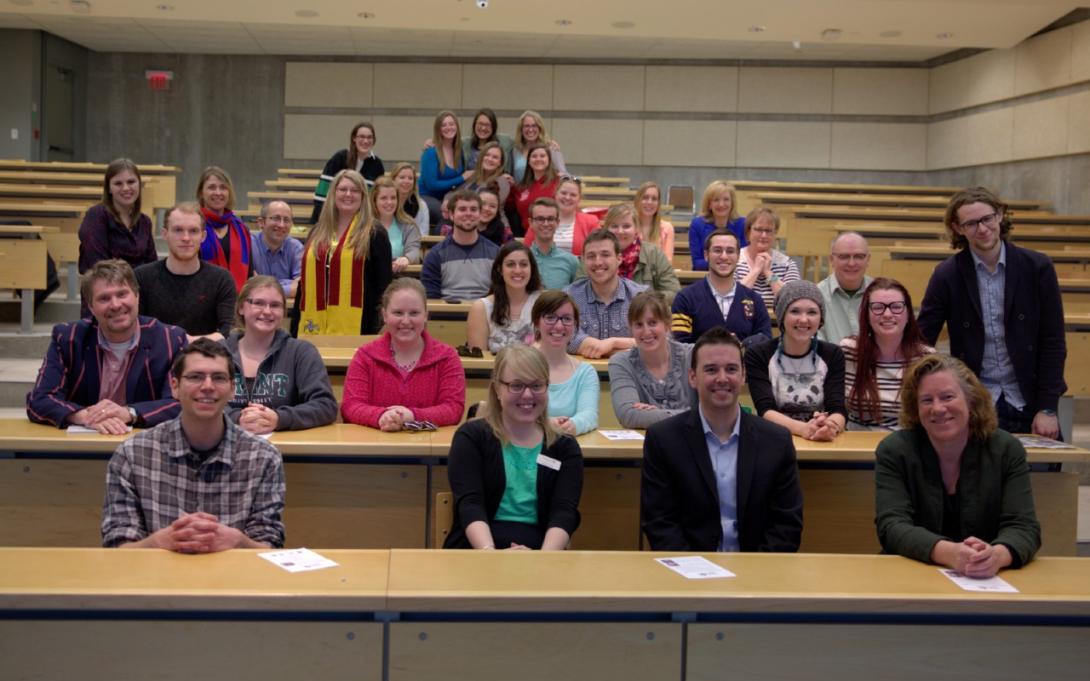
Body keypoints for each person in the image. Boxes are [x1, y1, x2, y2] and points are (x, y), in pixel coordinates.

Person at [101, 338, 285, 551]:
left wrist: (238, 541)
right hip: (156, 579)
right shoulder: (132, 454)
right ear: (175, 387)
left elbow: (269, 547)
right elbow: (117, 548)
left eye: (218, 378)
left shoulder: (264, 457)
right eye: (195, 377)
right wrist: (159, 542)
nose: (207, 386)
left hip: (233, 580)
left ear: (233, 389)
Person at [918, 186, 1066, 439]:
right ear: (958, 228)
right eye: (971, 223)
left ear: (999, 215)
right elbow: (922, 340)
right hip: (972, 401)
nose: (983, 229)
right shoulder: (946, 275)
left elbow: (1053, 342)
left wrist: (1048, 408)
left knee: (1042, 477)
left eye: (987, 219)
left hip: (1028, 398)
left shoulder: (1038, 267)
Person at [875, 354, 1040, 576]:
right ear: (915, 408)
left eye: (947, 397)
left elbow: (1024, 527)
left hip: (989, 577)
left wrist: (997, 556)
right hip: (910, 573)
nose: (938, 408)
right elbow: (892, 526)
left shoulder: (1006, 449)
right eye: (926, 400)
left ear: (971, 400)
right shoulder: (894, 450)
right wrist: (950, 553)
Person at [640, 327, 803, 552]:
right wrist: (695, 574)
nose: (722, 378)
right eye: (711, 369)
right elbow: (660, 524)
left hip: (759, 574)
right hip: (688, 574)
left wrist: (756, 576)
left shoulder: (776, 441)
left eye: (731, 369)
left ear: (743, 375)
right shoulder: (663, 440)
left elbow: (787, 526)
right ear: (693, 377)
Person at [444, 344, 583, 550]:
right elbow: (470, 504)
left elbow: (563, 512)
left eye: (536, 386)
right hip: (477, 551)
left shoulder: (564, 447)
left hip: (542, 553)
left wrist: (542, 560)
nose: (527, 395)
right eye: (516, 386)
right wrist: (492, 555)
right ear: (497, 389)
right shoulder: (471, 438)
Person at [27, 259, 186, 433]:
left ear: (137, 296)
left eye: (122, 294)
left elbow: (180, 403)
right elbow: (40, 399)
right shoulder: (68, 338)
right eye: (104, 298)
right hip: (84, 445)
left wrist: (129, 413)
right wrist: (84, 416)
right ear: (91, 307)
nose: (116, 305)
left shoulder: (171, 339)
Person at [341, 278, 466, 430]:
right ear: (384, 315)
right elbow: (350, 406)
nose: (406, 321)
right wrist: (381, 417)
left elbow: (453, 409)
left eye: (414, 313)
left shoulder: (447, 358)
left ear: (426, 315)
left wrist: (412, 417)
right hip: (374, 449)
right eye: (398, 313)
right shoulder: (365, 356)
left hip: (429, 450)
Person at [224, 276, 337, 434]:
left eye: (275, 305)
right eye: (258, 303)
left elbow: (325, 405)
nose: (267, 311)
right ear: (241, 308)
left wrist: (279, 418)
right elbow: (195, 403)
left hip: (285, 449)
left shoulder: (301, 352)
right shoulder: (218, 353)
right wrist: (237, 419)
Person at [746, 280, 847, 442]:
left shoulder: (833, 354)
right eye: (795, 311)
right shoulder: (758, 354)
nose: (804, 319)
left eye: (812, 312)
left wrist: (830, 426)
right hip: (774, 440)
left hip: (821, 440)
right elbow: (765, 410)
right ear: (781, 315)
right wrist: (804, 429)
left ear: (821, 318)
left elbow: (838, 409)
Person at [296, 169, 393, 336]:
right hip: (313, 325)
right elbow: (302, 287)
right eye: (342, 189)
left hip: (362, 326)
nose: (348, 194)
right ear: (333, 193)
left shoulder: (375, 233)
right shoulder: (317, 233)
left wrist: (378, 328)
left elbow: (384, 287)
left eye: (355, 190)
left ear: (363, 196)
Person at [842, 278, 934, 431]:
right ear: (867, 314)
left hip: (905, 446)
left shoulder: (926, 358)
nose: (887, 314)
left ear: (908, 313)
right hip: (856, 445)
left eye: (896, 307)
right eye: (878, 307)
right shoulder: (849, 351)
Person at [135, 203, 236, 342]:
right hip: (157, 360)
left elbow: (227, 332)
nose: (186, 238)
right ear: (165, 234)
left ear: (203, 236)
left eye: (193, 231)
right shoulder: (141, 277)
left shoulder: (221, 279)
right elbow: (137, 329)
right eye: (178, 230)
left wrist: (184, 342)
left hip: (206, 358)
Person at [609, 291, 696, 429]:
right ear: (631, 328)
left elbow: (713, 413)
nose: (646, 331)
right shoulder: (621, 363)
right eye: (638, 324)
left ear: (667, 324)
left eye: (652, 323)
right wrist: (692, 415)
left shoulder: (693, 355)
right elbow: (628, 415)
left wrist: (653, 414)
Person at [671, 229, 771, 346]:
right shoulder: (686, 298)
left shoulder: (755, 300)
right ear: (706, 255)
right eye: (717, 250)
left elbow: (765, 341)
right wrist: (716, 347)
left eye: (730, 251)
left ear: (738, 256)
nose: (724, 256)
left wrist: (743, 346)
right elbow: (679, 346)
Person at [564, 229, 647, 359]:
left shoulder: (640, 296)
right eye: (591, 256)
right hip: (582, 376)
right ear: (584, 261)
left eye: (605, 255)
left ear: (619, 259)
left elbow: (657, 340)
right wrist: (623, 348)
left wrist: (613, 343)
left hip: (632, 376)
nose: (598, 262)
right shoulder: (569, 296)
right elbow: (565, 338)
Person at [532, 291, 599, 436]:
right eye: (550, 318)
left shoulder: (586, 372)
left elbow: (589, 415)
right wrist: (545, 423)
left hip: (569, 449)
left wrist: (572, 425)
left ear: (575, 325)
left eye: (567, 319)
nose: (559, 326)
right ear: (537, 322)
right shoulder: (519, 366)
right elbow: (508, 413)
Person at [77, 158, 157, 273]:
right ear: (109, 188)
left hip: (138, 288)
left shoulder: (144, 221)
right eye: (118, 183)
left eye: (131, 182)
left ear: (139, 184)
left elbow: (152, 265)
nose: (125, 188)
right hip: (106, 287)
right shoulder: (97, 216)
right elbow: (98, 266)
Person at [421, 189, 499, 300]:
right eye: (462, 209)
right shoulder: (435, 255)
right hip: (447, 315)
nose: (468, 214)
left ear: (480, 214)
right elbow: (431, 297)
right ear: (451, 215)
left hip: (485, 314)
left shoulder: (496, 253)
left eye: (473, 209)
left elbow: (500, 294)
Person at [466, 241, 542, 353]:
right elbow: (479, 361)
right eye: (510, 264)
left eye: (524, 264)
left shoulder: (543, 303)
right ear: (500, 269)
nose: (517, 270)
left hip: (535, 370)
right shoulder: (481, 308)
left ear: (532, 269)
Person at [600, 203, 680, 300]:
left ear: (636, 229)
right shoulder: (594, 253)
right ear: (606, 229)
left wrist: (644, 301)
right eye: (614, 226)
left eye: (626, 226)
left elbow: (673, 292)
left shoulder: (653, 253)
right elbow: (581, 290)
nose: (620, 231)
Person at [311, 121, 385, 224]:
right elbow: (321, 195)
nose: (365, 141)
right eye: (362, 137)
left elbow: (375, 200)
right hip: (332, 219)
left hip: (361, 223)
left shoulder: (378, 165)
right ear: (354, 138)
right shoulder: (340, 158)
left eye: (369, 137)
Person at [195, 166, 252, 292]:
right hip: (202, 301)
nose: (218, 192)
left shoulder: (241, 229)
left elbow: (249, 273)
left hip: (237, 302)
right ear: (201, 193)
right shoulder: (193, 226)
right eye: (211, 187)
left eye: (223, 187)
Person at [734, 207, 799, 310]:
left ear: (775, 234)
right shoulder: (734, 260)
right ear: (748, 232)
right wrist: (755, 271)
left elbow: (792, 299)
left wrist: (768, 273)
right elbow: (732, 297)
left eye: (769, 231)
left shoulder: (787, 264)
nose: (764, 235)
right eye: (759, 229)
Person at [817, 232, 873, 344]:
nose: (851, 263)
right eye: (844, 257)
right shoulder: (815, 297)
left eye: (859, 256)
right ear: (832, 260)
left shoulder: (881, 294)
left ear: (868, 260)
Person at [522, 176, 599, 256]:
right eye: (563, 193)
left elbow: (598, 251)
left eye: (573, 195)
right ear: (556, 194)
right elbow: (526, 251)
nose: (567, 197)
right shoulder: (540, 219)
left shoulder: (591, 222)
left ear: (579, 199)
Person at [419, 110, 471, 227]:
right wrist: (462, 178)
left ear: (457, 126)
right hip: (426, 196)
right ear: (438, 129)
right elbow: (431, 185)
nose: (448, 128)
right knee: (447, 214)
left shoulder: (459, 151)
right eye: (444, 125)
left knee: (461, 212)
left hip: (446, 198)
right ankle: (439, 244)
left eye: (451, 124)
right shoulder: (431, 152)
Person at [250, 199, 303, 298]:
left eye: (286, 220)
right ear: (261, 222)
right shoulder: (248, 245)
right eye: (276, 218)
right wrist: (288, 285)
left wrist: (262, 286)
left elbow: (302, 287)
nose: (281, 225)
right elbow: (248, 286)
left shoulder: (296, 248)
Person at [688, 181, 746, 270]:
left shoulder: (742, 224)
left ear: (732, 203)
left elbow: (743, 260)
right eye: (716, 200)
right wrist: (724, 264)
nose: (721, 204)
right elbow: (697, 263)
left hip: (736, 277)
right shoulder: (697, 225)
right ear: (709, 204)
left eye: (726, 199)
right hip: (705, 276)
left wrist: (717, 261)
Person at [370, 175, 421, 274]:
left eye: (393, 198)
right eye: (383, 198)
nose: (389, 202)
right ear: (374, 200)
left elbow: (414, 252)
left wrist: (407, 259)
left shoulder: (409, 225)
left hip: (400, 278)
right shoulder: (364, 225)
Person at [526, 197, 580, 290]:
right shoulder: (522, 260)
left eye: (550, 219)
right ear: (530, 223)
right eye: (540, 219)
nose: (546, 224)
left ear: (558, 222)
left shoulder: (571, 261)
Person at [508, 142, 561, 234]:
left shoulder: (559, 183)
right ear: (528, 161)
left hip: (554, 234)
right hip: (526, 234)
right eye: (534, 156)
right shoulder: (520, 187)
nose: (538, 159)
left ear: (549, 160)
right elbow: (508, 207)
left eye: (542, 156)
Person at [511, 110, 566, 184]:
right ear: (521, 129)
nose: (530, 129)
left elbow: (563, 174)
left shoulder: (551, 148)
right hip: (521, 193)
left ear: (540, 128)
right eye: (526, 126)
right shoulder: (516, 150)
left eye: (534, 126)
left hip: (545, 193)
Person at [462, 107, 515, 172]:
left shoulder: (505, 142)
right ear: (474, 125)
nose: (483, 128)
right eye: (480, 124)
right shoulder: (464, 144)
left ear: (493, 127)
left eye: (487, 125)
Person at [465, 141, 514, 211]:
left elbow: (488, 207)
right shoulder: (472, 176)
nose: (490, 159)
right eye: (487, 155)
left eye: (495, 157)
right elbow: (453, 193)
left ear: (500, 163)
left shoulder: (502, 182)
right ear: (481, 157)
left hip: (491, 220)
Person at [634, 181, 676, 260]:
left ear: (658, 203)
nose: (650, 202)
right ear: (638, 200)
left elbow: (667, 262)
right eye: (645, 197)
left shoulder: (667, 228)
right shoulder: (629, 226)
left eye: (654, 199)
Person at [391, 162, 430, 237]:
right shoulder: (386, 203)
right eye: (402, 177)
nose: (406, 181)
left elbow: (424, 234)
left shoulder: (422, 205)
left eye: (410, 178)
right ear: (393, 179)